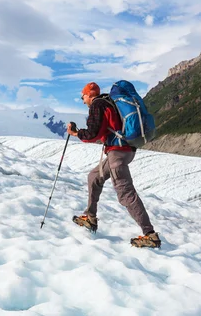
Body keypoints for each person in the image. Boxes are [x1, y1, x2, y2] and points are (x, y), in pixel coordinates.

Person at [67, 82, 161, 248]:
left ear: (89, 94)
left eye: (83, 97)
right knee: (94, 176)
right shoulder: (109, 102)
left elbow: (93, 133)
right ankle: (90, 216)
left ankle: (150, 234)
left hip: (117, 153)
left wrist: (76, 133)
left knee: (125, 193)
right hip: (125, 150)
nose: (83, 101)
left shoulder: (98, 105)